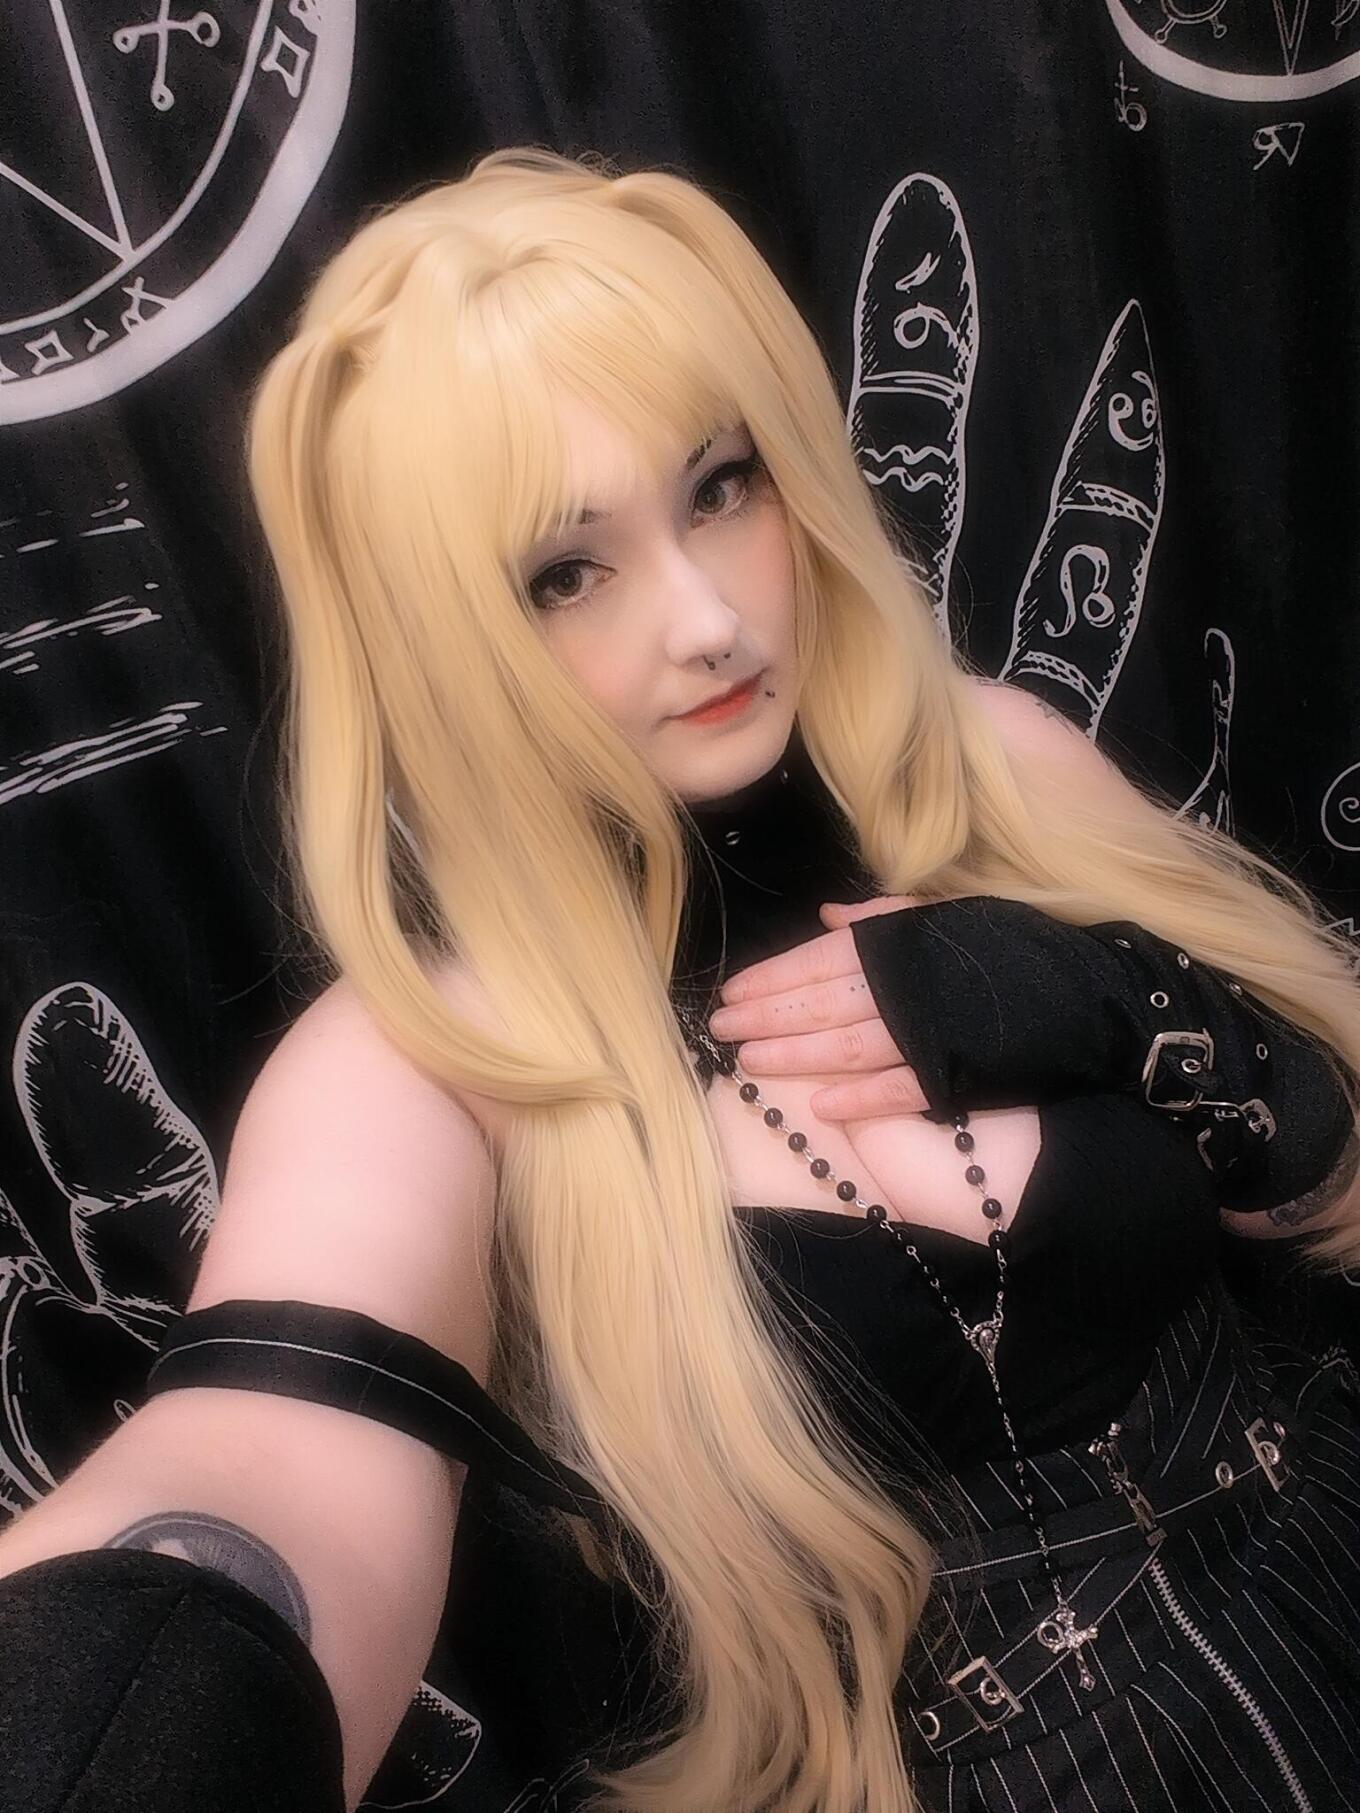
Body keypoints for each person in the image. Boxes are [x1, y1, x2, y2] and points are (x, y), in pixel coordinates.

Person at [1, 145, 1358, 1813]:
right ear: (440, 640)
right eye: (564, 573)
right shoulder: (425, 1063)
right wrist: (135, 1688)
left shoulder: (993, 775)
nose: (710, 620)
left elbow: (1338, 1195)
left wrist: (1134, 1006)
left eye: (720, 485)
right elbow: (262, 1470)